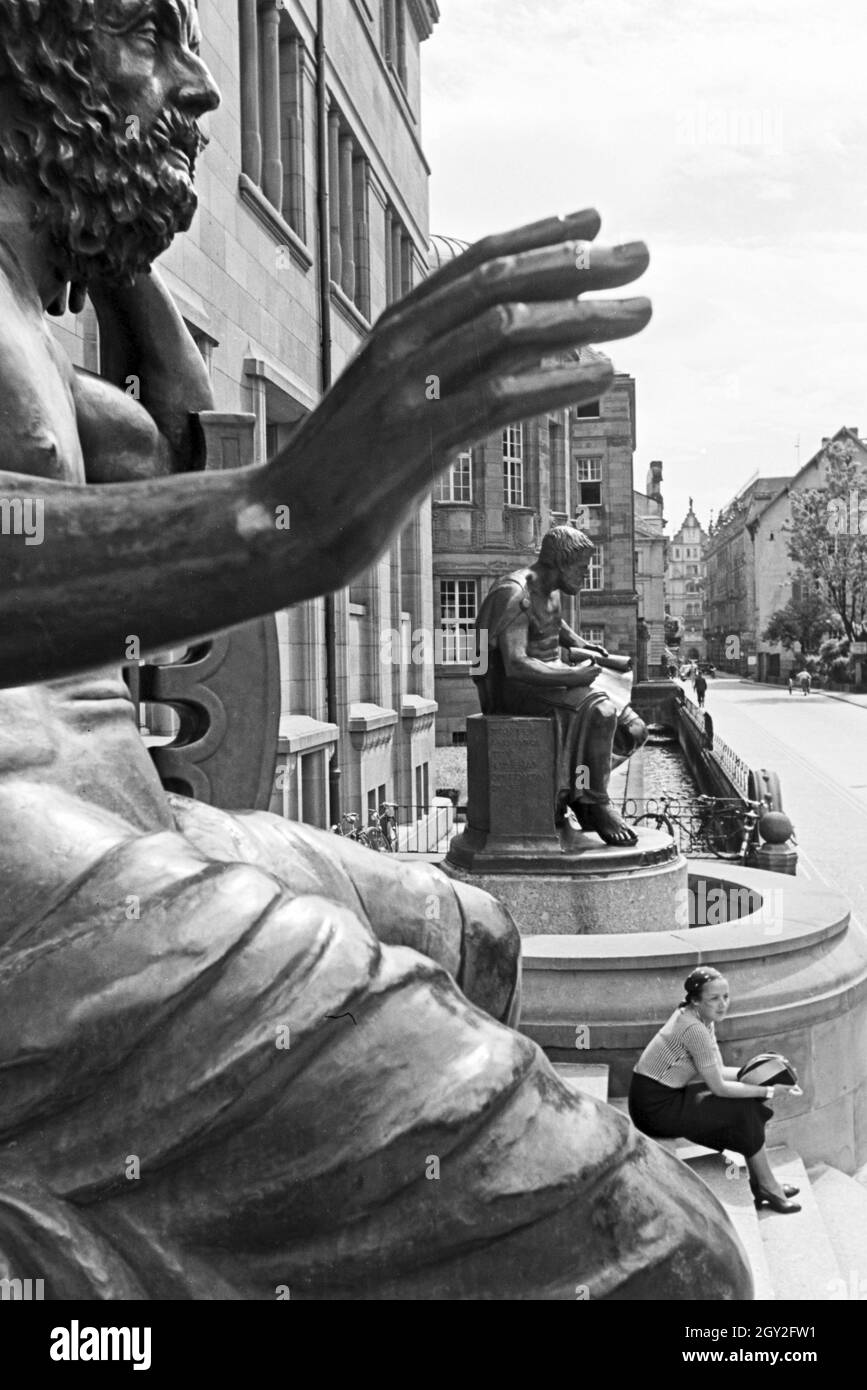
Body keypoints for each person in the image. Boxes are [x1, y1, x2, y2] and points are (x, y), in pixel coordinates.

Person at [0, 1, 752, 1300]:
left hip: (114, 813)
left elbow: (172, 440)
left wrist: (114, 240)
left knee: (470, 925)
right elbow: (200, 505)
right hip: (26, 872)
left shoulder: (31, 310)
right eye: (147, 32)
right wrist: (289, 512)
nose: (197, 87)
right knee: (661, 1257)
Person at [472, 526, 647, 846]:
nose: (586, 574)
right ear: (560, 563)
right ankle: (594, 803)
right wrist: (572, 678)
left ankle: (576, 787)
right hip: (516, 690)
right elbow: (514, 664)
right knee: (603, 712)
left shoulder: (551, 589)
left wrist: (584, 646)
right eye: (582, 569)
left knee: (635, 729)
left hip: (552, 678)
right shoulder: (514, 594)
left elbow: (554, 624)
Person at [629, 968, 801, 1213]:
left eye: (726, 997)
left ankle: (764, 1182)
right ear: (696, 1000)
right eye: (714, 999)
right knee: (743, 1107)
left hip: (665, 1096)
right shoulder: (694, 1029)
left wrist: (767, 1078)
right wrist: (769, 1093)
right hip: (654, 1109)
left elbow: (719, 1070)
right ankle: (766, 1185)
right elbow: (719, 1088)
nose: (722, 1005)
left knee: (747, 1105)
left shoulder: (699, 1018)